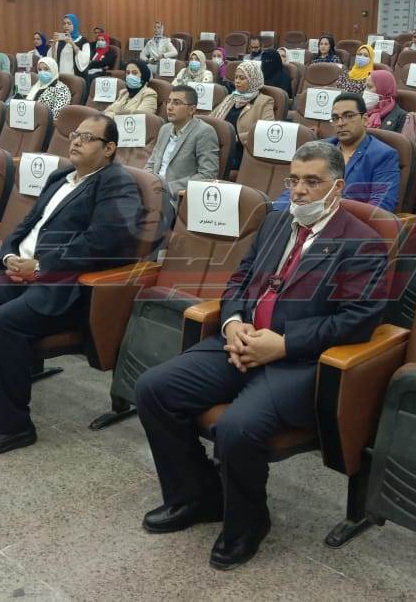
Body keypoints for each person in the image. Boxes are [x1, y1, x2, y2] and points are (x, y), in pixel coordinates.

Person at [134, 140, 388, 570]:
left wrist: (284, 343)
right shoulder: (275, 222)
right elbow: (240, 279)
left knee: (237, 427)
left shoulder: (363, 242)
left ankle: (248, 523)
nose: (299, 191)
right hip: (242, 341)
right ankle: (197, 496)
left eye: (312, 181)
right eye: (294, 180)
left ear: (338, 187)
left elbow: (357, 321)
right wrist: (233, 323)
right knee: (154, 389)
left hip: (301, 361)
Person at [0, 114, 144, 457]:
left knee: (6, 321)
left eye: (87, 137)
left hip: (63, 287)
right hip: (20, 274)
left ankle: (12, 426)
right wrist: (9, 255)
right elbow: (28, 224)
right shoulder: (60, 176)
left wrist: (40, 267)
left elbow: (101, 244)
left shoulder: (116, 184)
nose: (76, 141)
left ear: (110, 148)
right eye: (75, 134)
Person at [271, 93, 400, 212]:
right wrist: (275, 214)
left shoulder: (383, 155)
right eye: (335, 118)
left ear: (365, 119)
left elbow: (382, 204)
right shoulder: (319, 148)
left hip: (347, 224)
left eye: (349, 116)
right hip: (305, 216)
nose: (341, 123)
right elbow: (294, 187)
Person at [145, 86, 220, 211]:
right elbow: (151, 163)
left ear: (191, 109)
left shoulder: (204, 132)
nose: (169, 107)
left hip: (175, 199)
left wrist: (166, 188)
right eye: (168, 102)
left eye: (176, 103)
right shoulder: (165, 129)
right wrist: (146, 183)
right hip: (152, 192)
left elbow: (208, 174)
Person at [210, 60, 274, 171]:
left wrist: (235, 138)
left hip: (240, 152)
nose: (237, 81)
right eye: (236, 77)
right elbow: (211, 119)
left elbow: (266, 131)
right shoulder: (230, 98)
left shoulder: (264, 101)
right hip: (217, 147)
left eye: (242, 78)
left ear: (253, 80)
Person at [82, 28, 119, 94]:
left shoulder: (111, 52)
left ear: (106, 41)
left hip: (101, 73)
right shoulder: (95, 51)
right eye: (98, 40)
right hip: (90, 70)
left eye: (102, 40)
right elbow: (88, 60)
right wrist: (91, 63)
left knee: (88, 77)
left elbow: (104, 62)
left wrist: (91, 63)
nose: (100, 41)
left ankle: (87, 96)